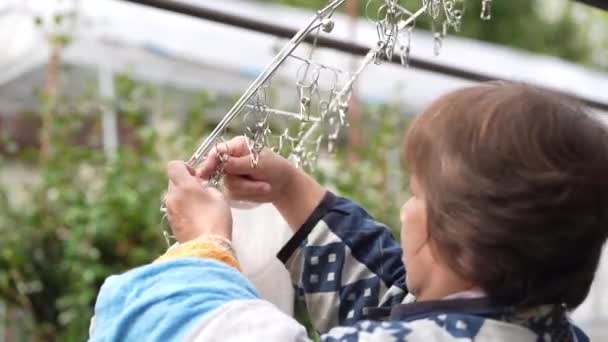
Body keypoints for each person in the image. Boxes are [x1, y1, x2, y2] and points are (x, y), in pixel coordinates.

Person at [88, 82, 608, 341]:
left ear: (453, 237)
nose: (407, 209)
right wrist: (292, 190)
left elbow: (212, 329)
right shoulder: (540, 326)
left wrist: (204, 250)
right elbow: (394, 297)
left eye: (416, 193)